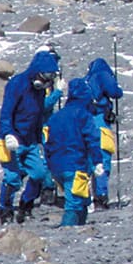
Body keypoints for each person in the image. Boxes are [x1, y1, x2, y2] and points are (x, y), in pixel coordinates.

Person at [0, 48, 61, 224]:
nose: (47, 81)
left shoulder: (39, 90)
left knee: (39, 174)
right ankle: (5, 209)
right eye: (46, 76)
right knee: (12, 178)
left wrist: (40, 139)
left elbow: (39, 114)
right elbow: (6, 112)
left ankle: (26, 205)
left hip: (31, 140)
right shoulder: (17, 84)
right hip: (13, 139)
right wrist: (8, 134)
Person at [44, 78, 99, 227]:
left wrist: (50, 165)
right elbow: (92, 139)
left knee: (80, 198)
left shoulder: (56, 117)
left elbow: (48, 143)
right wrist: (98, 161)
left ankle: (79, 228)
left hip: (56, 166)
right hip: (75, 164)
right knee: (74, 202)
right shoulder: (83, 115)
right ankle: (69, 230)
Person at [80, 58, 123, 210]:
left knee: (89, 160)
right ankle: (101, 196)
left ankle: (84, 196)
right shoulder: (102, 73)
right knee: (103, 158)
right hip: (100, 121)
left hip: (86, 121)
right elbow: (115, 92)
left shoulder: (86, 81)